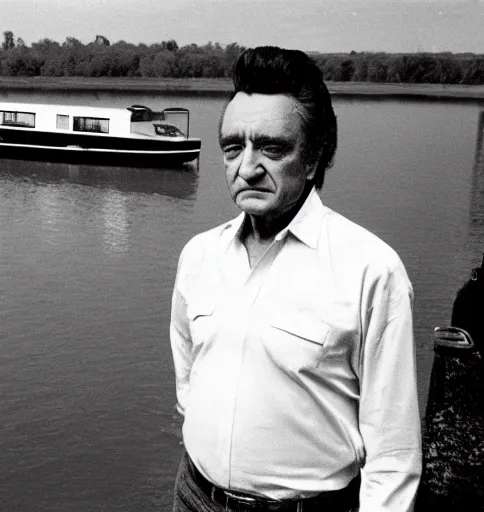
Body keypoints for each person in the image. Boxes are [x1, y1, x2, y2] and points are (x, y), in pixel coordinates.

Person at [170, 46, 422, 512]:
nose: (247, 167)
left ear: (313, 158)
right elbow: (189, 377)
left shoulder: (370, 270)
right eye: (233, 148)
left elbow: (393, 453)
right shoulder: (198, 256)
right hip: (193, 496)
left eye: (272, 147)